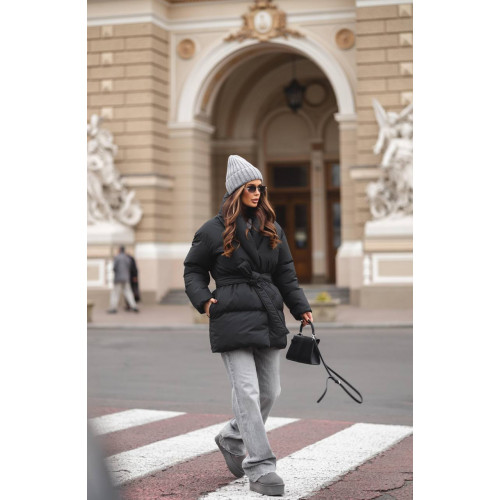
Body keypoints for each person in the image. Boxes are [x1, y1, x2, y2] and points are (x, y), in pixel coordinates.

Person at [184, 155, 313, 497]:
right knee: (247, 391)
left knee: (270, 391)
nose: (258, 193)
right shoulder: (211, 230)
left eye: (260, 188)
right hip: (230, 316)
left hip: (267, 314)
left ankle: (231, 437)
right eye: (251, 187)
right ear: (236, 191)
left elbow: (286, 273)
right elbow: (193, 270)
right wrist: (205, 301)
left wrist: (300, 307)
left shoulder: (272, 227)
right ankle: (260, 466)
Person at [107, 245, 139, 313]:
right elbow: (130, 267)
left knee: (115, 293)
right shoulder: (127, 258)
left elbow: (114, 267)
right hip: (126, 278)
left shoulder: (117, 257)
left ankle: (113, 308)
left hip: (118, 278)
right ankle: (134, 306)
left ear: (119, 250)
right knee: (128, 292)